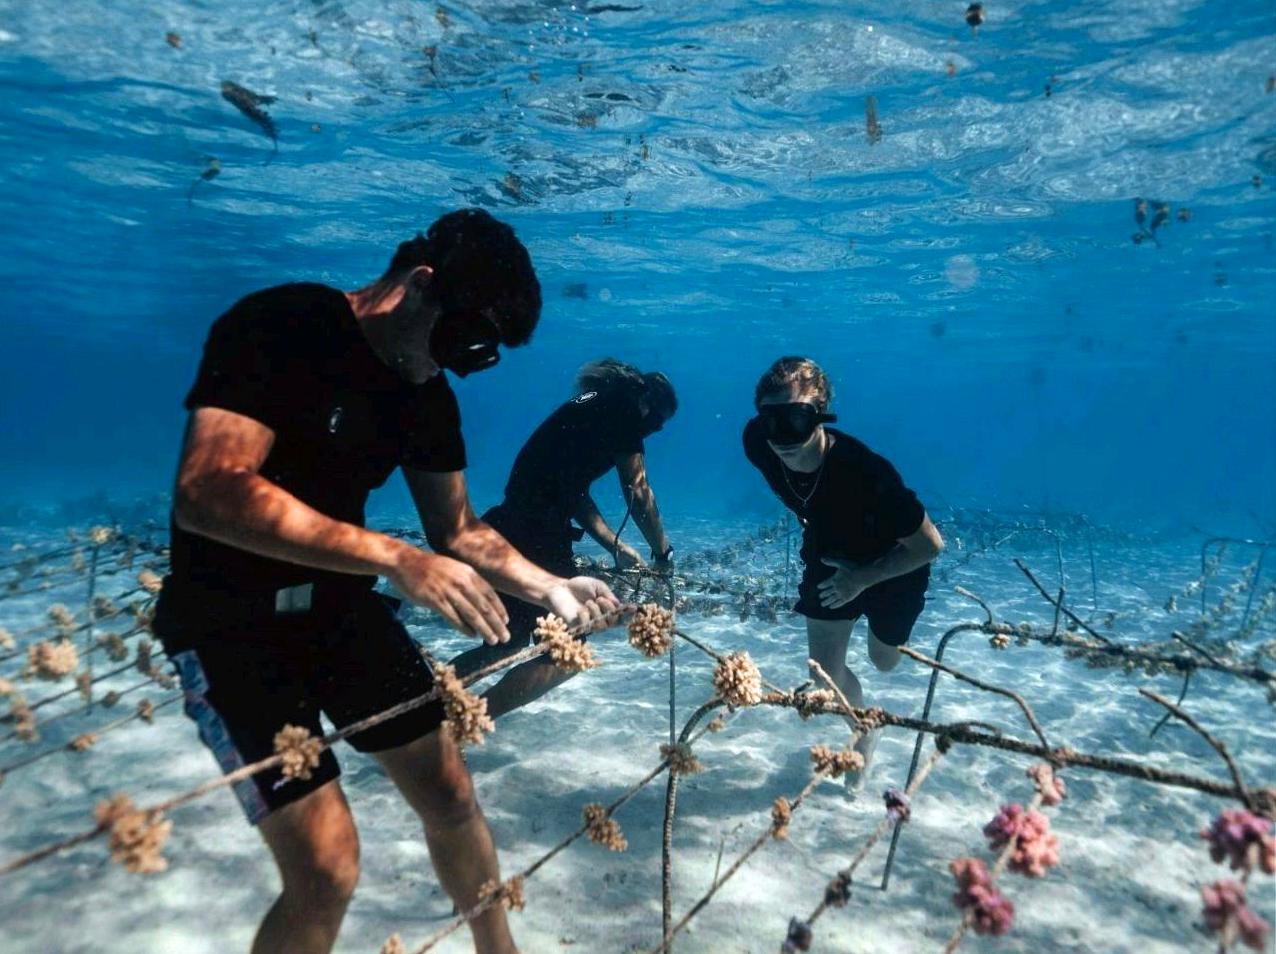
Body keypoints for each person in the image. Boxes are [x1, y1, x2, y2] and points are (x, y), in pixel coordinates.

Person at [151, 209, 621, 954]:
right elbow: (208, 489)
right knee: (327, 867)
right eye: (462, 343)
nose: (456, 368)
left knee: (451, 794)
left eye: (482, 357)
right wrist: (393, 558)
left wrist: (549, 588)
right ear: (419, 284)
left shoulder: (425, 392)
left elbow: (460, 530)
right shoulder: (281, 325)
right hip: (226, 623)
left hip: (338, 612)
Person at [742, 357, 944, 791]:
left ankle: (887, 633)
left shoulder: (867, 472)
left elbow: (930, 545)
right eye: (770, 419)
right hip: (829, 555)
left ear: (820, 415)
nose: (781, 437)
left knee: (884, 662)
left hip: (897, 564)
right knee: (824, 672)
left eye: (796, 419)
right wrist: (844, 571)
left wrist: (863, 578)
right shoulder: (758, 443)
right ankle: (866, 728)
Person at [450, 358, 677, 718]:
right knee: (568, 652)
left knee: (504, 645)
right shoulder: (625, 409)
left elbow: (572, 491)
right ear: (648, 405)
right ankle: (461, 724)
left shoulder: (595, 402)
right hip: (537, 533)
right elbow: (638, 489)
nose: (651, 433)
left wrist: (614, 545)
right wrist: (662, 553)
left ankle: (424, 709)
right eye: (657, 425)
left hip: (512, 523)